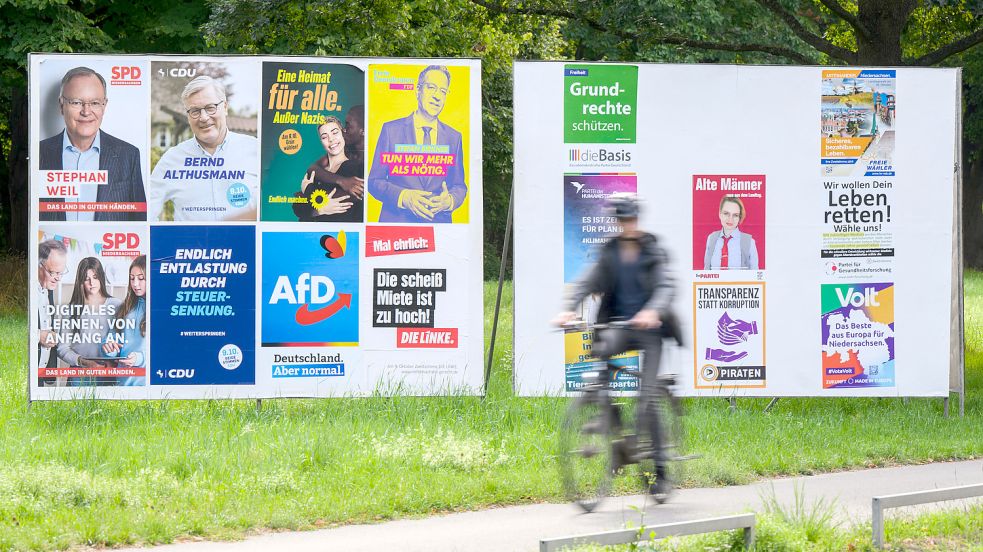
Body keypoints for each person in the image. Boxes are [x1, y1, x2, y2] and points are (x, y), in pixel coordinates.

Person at [553, 192, 680, 500]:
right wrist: (569, 307)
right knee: (601, 359)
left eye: (630, 219)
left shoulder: (653, 251)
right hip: (619, 326)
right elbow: (588, 281)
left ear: (637, 219)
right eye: (621, 220)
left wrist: (653, 310)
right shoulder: (609, 252)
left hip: (650, 330)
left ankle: (659, 470)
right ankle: (611, 424)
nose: (626, 225)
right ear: (617, 221)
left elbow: (665, 285)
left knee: (646, 398)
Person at [39, 66, 146, 221]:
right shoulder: (39, 153)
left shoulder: (128, 155)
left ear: (104, 106)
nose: (86, 111)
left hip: (109, 246)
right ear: (62, 105)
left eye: (95, 103)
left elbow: (140, 219)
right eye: (76, 102)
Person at [149, 75, 259, 221]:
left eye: (210, 108)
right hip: (189, 244)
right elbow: (147, 211)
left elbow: (274, 204)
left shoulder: (255, 150)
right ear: (188, 116)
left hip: (243, 243)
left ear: (225, 107)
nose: (204, 117)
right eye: (195, 111)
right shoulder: (172, 159)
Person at [368, 65, 467, 223]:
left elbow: (459, 186)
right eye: (431, 87)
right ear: (418, 90)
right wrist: (404, 196)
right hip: (396, 227)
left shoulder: (454, 137)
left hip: (439, 227)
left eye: (443, 91)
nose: (437, 96)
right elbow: (374, 182)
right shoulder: (390, 130)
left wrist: (449, 201)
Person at [55, 256, 123, 386]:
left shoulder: (117, 305)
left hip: (109, 372)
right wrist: (83, 362)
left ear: (101, 277)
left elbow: (125, 341)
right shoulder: (71, 310)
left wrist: (114, 360)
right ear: (80, 282)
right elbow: (62, 348)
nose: (92, 282)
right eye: (87, 279)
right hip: (80, 374)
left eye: (95, 277)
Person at [292, 115, 362, 222]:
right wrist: (320, 210)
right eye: (324, 137)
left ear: (343, 133)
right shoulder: (317, 171)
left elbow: (342, 204)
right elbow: (297, 207)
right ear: (321, 141)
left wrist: (308, 189)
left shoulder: (355, 168)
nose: (331, 139)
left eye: (335, 133)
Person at [103, 255, 147, 386]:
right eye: (132, 278)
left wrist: (139, 359)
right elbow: (112, 340)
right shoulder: (124, 308)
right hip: (123, 383)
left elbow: (166, 351)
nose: (135, 283)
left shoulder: (161, 310)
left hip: (147, 385)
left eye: (141, 278)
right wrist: (109, 348)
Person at [37, 239, 68, 384]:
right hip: (25, 374)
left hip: (41, 376)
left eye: (61, 273)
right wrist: (38, 336)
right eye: (53, 272)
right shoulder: (26, 291)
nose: (58, 278)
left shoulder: (48, 289)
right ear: (38, 265)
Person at [703, 195, 759, 270]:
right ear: (720, 214)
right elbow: (706, 272)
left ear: (739, 217)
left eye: (735, 215)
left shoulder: (750, 242)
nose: (730, 219)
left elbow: (755, 276)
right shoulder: (711, 238)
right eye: (726, 213)